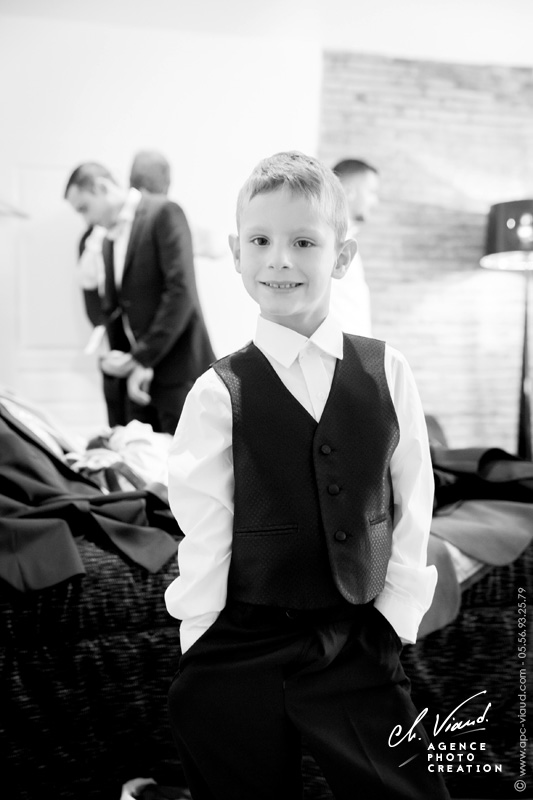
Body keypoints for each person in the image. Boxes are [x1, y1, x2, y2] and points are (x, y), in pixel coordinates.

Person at [164, 151, 450, 800]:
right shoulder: (217, 391)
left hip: (357, 639)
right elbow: (206, 526)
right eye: (260, 241)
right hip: (245, 641)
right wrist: (200, 639)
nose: (279, 260)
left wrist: (394, 616)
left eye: (303, 242)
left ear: (341, 258)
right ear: (236, 252)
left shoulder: (386, 369)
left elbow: (412, 496)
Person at [65, 162, 214, 435]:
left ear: (101, 187)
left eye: (84, 208)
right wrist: (117, 360)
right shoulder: (106, 238)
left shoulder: (164, 212)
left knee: (184, 458)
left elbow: (180, 292)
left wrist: (141, 357)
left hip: (178, 374)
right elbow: (119, 307)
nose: (86, 220)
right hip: (139, 382)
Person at [329, 157, 380, 336]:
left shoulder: (346, 239)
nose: (375, 201)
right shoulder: (328, 242)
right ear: (348, 191)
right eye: (371, 192)